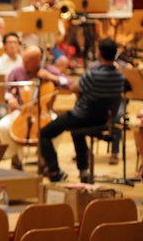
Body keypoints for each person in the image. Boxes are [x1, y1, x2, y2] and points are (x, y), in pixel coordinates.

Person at [40, 39, 125, 182]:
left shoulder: (92, 74)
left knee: (44, 134)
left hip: (81, 116)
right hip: (102, 119)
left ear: (99, 53)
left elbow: (74, 88)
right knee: (77, 132)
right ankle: (83, 170)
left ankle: (54, 171)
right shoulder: (120, 77)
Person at [0, 46, 71, 170]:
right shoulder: (17, 71)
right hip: (22, 110)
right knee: (2, 127)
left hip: (44, 111)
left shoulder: (49, 70)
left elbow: (69, 83)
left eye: (28, 61)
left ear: (38, 60)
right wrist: (10, 99)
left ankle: (46, 158)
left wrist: (52, 77)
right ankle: (16, 158)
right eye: (23, 59)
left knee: (58, 128)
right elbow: (7, 90)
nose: (24, 63)